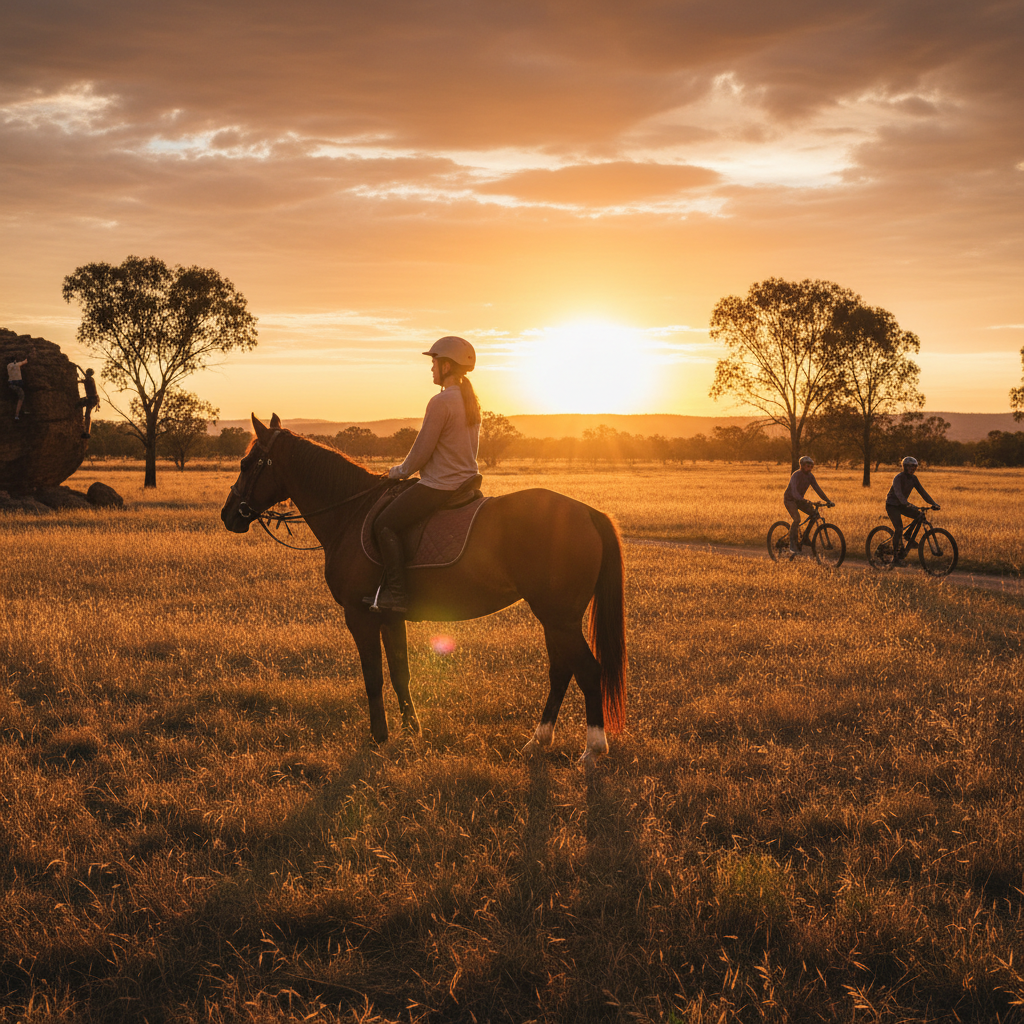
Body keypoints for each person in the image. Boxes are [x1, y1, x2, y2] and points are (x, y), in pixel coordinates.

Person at [368, 336, 482, 614]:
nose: (431, 368)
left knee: (384, 524)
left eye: (433, 362)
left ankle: (398, 596)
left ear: (446, 366)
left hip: (440, 485)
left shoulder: (441, 401)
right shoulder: (471, 401)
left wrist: (397, 472)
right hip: (465, 482)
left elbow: (420, 453)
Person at [885, 456, 940, 565]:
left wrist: (933, 503)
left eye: (914, 467)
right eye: (910, 466)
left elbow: (923, 492)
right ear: (904, 467)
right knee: (899, 528)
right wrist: (907, 503)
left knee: (920, 516)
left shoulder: (914, 479)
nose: (912, 469)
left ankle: (907, 535)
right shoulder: (898, 478)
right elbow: (898, 493)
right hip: (892, 505)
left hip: (902, 505)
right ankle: (895, 558)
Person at [783, 455, 834, 559]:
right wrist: (804, 500)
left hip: (800, 500)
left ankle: (805, 537)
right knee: (797, 519)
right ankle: (792, 544)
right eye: (807, 466)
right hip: (790, 499)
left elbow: (817, 489)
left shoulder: (810, 476)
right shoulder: (796, 475)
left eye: (811, 466)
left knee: (815, 514)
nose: (809, 468)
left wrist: (828, 500)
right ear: (801, 465)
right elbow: (794, 491)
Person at [77, 367, 100, 438]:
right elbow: (83, 379)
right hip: (91, 398)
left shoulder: (90, 379)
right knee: (79, 405)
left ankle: (87, 432)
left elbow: (83, 380)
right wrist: (78, 367)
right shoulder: (89, 379)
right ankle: (84, 429)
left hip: (92, 399)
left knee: (87, 414)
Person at [7, 356, 28, 421]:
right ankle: (16, 415)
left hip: (10, 385)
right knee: (21, 397)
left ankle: (23, 410)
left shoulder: (8, 366)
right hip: (17, 386)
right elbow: (25, 362)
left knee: (20, 396)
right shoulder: (17, 364)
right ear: (15, 360)